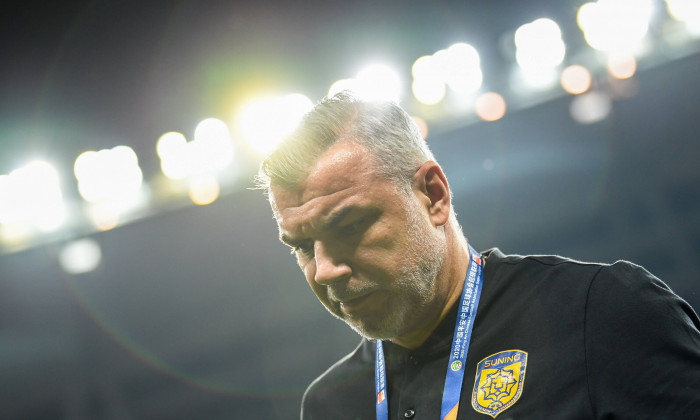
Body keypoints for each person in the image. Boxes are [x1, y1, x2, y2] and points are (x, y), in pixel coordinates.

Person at [256, 92, 700, 419]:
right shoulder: (329, 405)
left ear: (433, 195)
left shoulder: (601, 313)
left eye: (348, 227)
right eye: (301, 246)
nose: (326, 270)